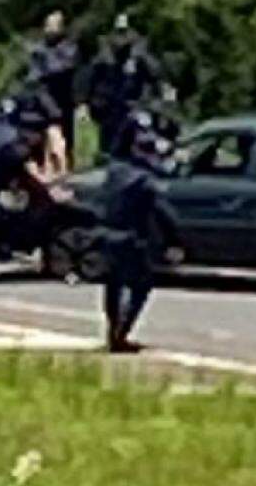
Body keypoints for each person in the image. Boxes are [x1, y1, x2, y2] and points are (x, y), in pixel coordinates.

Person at [0, 105, 66, 281]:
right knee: (2, 227)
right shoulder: (17, 149)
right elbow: (37, 181)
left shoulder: (1, 131)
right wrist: (58, 188)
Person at [102, 125, 184, 353]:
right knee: (141, 285)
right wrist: (174, 240)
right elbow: (164, 213)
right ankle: (121, 332)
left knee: (113, 284)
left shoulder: (115, 172)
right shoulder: (145, 181)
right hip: (133, 238)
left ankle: (112, 329)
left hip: (108, 234)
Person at [87, 13, 163, 160]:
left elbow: (155, 74)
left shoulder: (139, 51)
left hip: (134, 105)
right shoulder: (105, 51)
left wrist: (139, 58)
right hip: (110, 108)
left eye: (125, 32)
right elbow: (93, 78)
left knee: (135, 145)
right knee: (108, 147)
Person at [26, 10, 82, 162]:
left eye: (55, 25)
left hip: (65, 98)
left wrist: (51, 62)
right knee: (47, 137)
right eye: (48, 25)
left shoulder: (69, 47)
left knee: (67, 137)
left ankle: (68, 163)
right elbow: (35, 77)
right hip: (45, 99)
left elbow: (65, 66)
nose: (50, 29)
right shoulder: (38, 50)